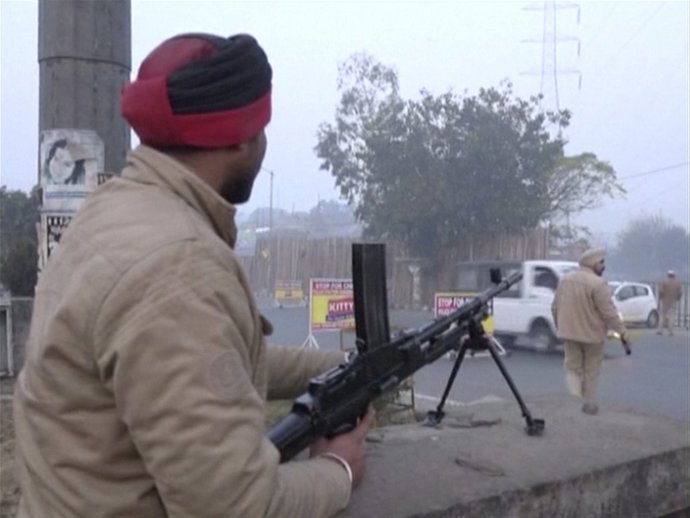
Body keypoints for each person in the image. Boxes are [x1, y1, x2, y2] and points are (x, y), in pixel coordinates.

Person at [14, 33, 373, 518]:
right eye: (263, 127)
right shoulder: (178, 267)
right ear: (244, 137)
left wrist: (349, 368)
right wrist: (338, 469)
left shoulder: (112, 211)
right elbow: (236, 507)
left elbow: (215, 360)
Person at [551, 248, 631, 415]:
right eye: (601, 262)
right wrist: (623, 332)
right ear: (594, 263)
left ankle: (575, 403)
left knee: (572, 369)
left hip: (569, 333)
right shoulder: (598, 284)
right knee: (591, 371)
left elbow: (555, 307)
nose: (604, 266)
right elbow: (609, 313)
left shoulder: (565, 280)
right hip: (592, 336)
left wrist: (560, 326)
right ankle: (588, 406)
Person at [657, 270, 683, 336]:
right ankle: (670, 331)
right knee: (671, 316)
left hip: (665, 301)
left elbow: (661, 291)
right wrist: (677, 298)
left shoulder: (664, 282)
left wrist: (661, 298)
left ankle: (660, 330)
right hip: (673, 301)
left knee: (662, 316)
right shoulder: (677, 283)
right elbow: (680, 293)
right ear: (674, 275)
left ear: (668, 275)